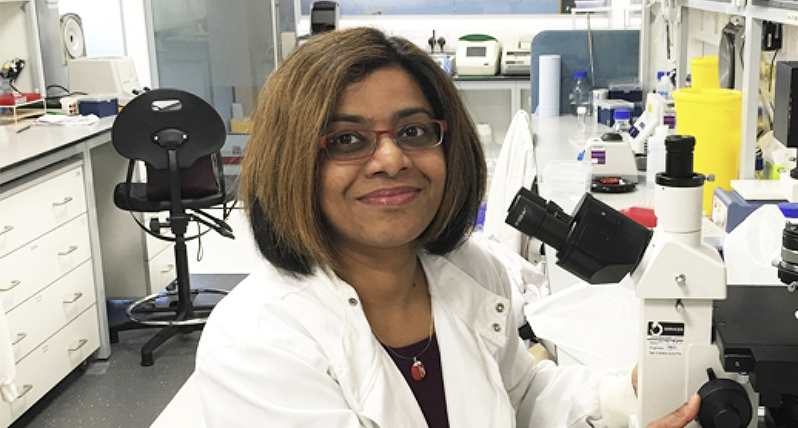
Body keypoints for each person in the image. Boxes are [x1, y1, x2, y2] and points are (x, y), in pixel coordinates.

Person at [195, 27, 701, 428]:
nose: (391, 160)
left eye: (413, 131)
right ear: (293, 161)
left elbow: (519, 399)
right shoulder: (256, 343)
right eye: (347, 139)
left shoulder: (470, 271)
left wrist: (627, 395)